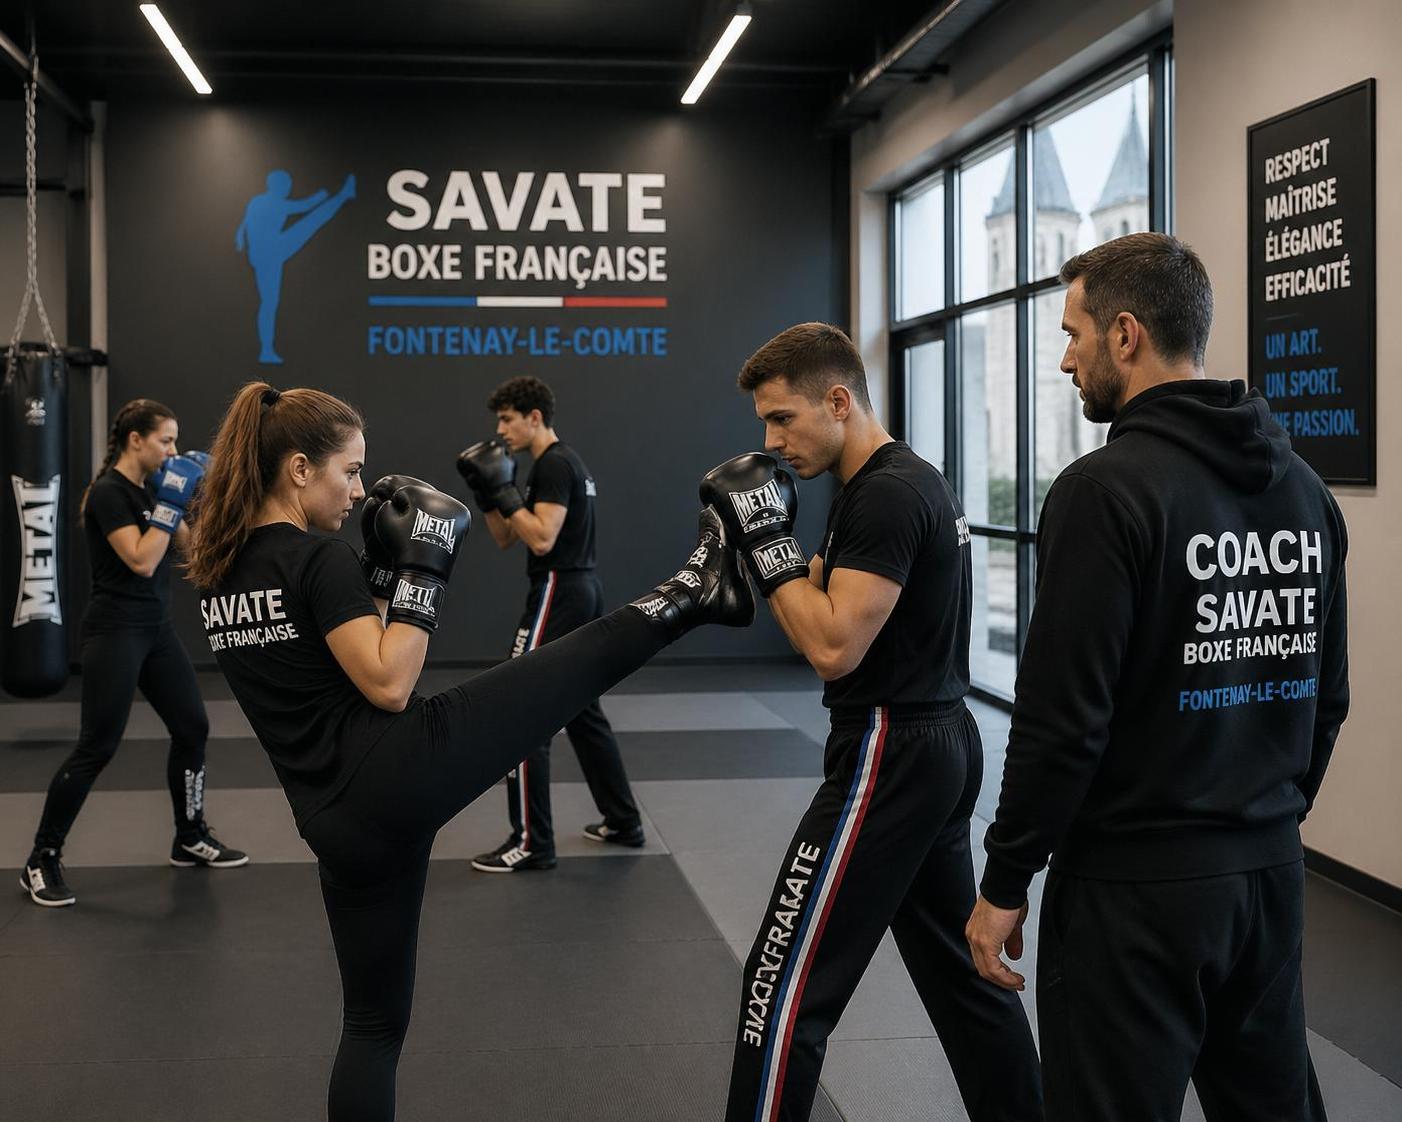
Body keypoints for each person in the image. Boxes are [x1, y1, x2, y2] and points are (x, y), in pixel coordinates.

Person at [184, 381, 753, 1122]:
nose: (356, 490)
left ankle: (698, 591)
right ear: (298, 469)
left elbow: (338, 666)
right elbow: (389, 682)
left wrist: (382, 574)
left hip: (330, 816)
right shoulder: (317, 560)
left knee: (372, 1028)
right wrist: (424, 571)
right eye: (348, 471)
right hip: (396, 768)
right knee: (565, 668)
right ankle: (696, 589)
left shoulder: (223, 574)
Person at [965, 233, 1349, 1122]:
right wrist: (1261, 818)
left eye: (1074, 334)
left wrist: (1006, 880)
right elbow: (1327, 701)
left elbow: (1063, 721)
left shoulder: (1104, 492)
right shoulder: (1304, 491)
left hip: (1132, 894)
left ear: (1126, 334)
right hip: (1267, 878)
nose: (1066, 360)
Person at [710, 324, 1042, 1122]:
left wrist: (764, 542)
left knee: (780, 987)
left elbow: (831, 645)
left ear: (838, 400)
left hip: (890, 748)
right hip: (935, 741)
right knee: (965, 978)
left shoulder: (887, 495)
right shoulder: (894, 483)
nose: (771, 440)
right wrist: (780, 566)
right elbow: (820, 598)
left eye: (783, 418)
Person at [19, 399, 247, 908]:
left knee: (192, 727)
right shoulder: (108, 493)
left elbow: (192, 552)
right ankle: (41, 856)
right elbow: (142, 561)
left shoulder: (151, 490)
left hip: (155, 631)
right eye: (165, 440)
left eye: (174, 440)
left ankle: (189, 835)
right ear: (136, 440)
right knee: (97, 746)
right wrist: (168, 503)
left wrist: (188, 503)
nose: (172, 449)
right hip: (114, 632)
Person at [456, 376, 644, 873]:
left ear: (534, 417)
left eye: (507, 419)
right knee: (581, 711)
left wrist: (505, 490)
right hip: (579, 588)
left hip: (560, 588)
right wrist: (489, 494)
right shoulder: (554, 465)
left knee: (521, 708)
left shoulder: (556, 464)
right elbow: (507, 537)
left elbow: (541, 538)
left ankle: (531, 841)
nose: (500, 430)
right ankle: (623, 820)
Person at [235, 169, 356, 364]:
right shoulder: (275, 203)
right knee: (312, 221)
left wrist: (240, 239)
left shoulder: (256, 201)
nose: (289, 188)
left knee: (269, 303)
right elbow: (304, 206)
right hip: (272, 251)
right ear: (277, 186)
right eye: (286, 185)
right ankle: (266, 350)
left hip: (262, 252)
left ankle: (266, 349)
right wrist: (321, 195)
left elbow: (244, 223)